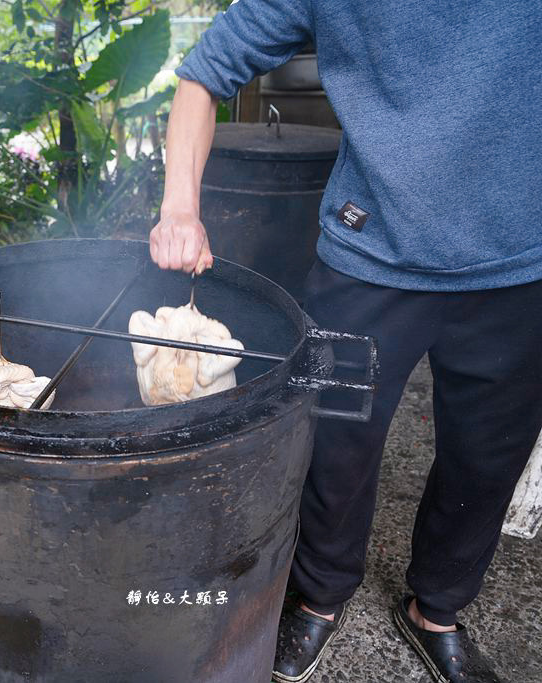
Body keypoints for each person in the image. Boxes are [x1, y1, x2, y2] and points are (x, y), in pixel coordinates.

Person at [150, 2, 542, 682]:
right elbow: (204, 71)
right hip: (366, 254)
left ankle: (438, 609)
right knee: (334, 448)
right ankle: (322, 594)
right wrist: (180, 206)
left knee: (486, 461)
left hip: (522, 262)